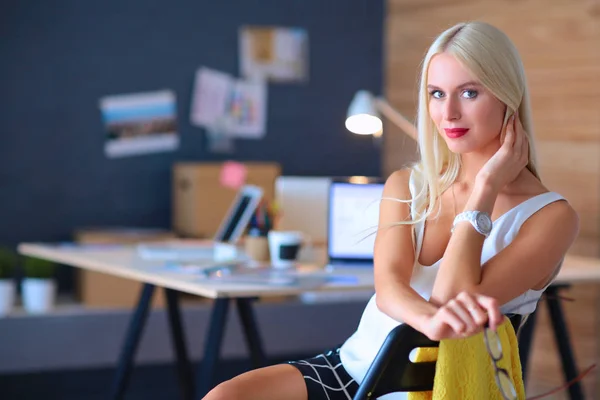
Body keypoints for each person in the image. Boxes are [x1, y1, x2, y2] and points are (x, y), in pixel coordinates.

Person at [202, 21, 579, 400]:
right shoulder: (407, 185)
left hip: (442, 389)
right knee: (225, 396)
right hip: (357, 371)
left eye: (468, 93)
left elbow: (451, 296)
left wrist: (485, 189)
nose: (448, 113)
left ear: (507, 97)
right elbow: (389, 291)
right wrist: (432, 322)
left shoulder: (550, 217)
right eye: (436, 93)